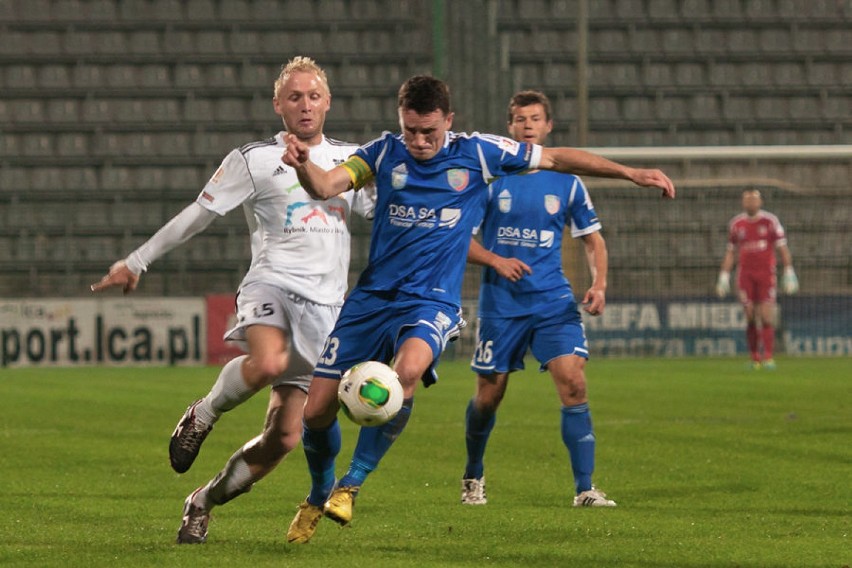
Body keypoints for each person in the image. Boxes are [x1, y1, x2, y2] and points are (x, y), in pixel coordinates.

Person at [282, 75, 675, 543]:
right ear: (400, 121)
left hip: (432, 300)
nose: (420, 141)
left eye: (430, 130)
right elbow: (327, 186)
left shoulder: (480, 152)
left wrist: (630, 173)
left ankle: (351, 485)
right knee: (316, 413)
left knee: (407, 372)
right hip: (371, 299)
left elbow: (557, 157)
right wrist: (305, 165)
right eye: (411, 130)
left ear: (449, 120)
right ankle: (318, 492)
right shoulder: (384, 152)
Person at [90, 56, 375, 544]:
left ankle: (202, 501)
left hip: (326, 312)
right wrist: (137, 260)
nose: (304, 106)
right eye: (294, 97)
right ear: (277, 105)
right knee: (267, 361)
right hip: (272, 284)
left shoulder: (353, 162)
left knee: (282, 440)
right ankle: (203, 413)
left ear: (327, 102)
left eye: (313, 96)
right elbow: (197, 216)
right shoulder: (253, 159)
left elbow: (389, 216)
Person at [461, 90, 614, 508]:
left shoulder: (568, 182)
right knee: (489, 397)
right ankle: (473, 473)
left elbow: (593, 240)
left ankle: (585, 488)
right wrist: (495, 260)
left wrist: (599, 284)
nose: (527, 125)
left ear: (548, 127)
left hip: (552, 301)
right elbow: (460, 240)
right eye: (519, 120)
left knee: (574, 383)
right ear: (509, 128)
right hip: (502, 305)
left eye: (535, 119)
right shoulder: (491, 179)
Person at [716, 189, 798, 370]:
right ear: (743, 203)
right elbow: (731, 252)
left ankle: (768, 357)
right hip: (745, 275)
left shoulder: (770, 221)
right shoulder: (737, 224)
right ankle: (755, 358)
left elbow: (782, 248)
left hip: (766, 275)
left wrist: (789, 270)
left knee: (766, 315)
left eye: (754, 199)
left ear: (760, 202)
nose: (751, 203)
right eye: (747, 200)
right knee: (750, 316)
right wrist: (724, 276)